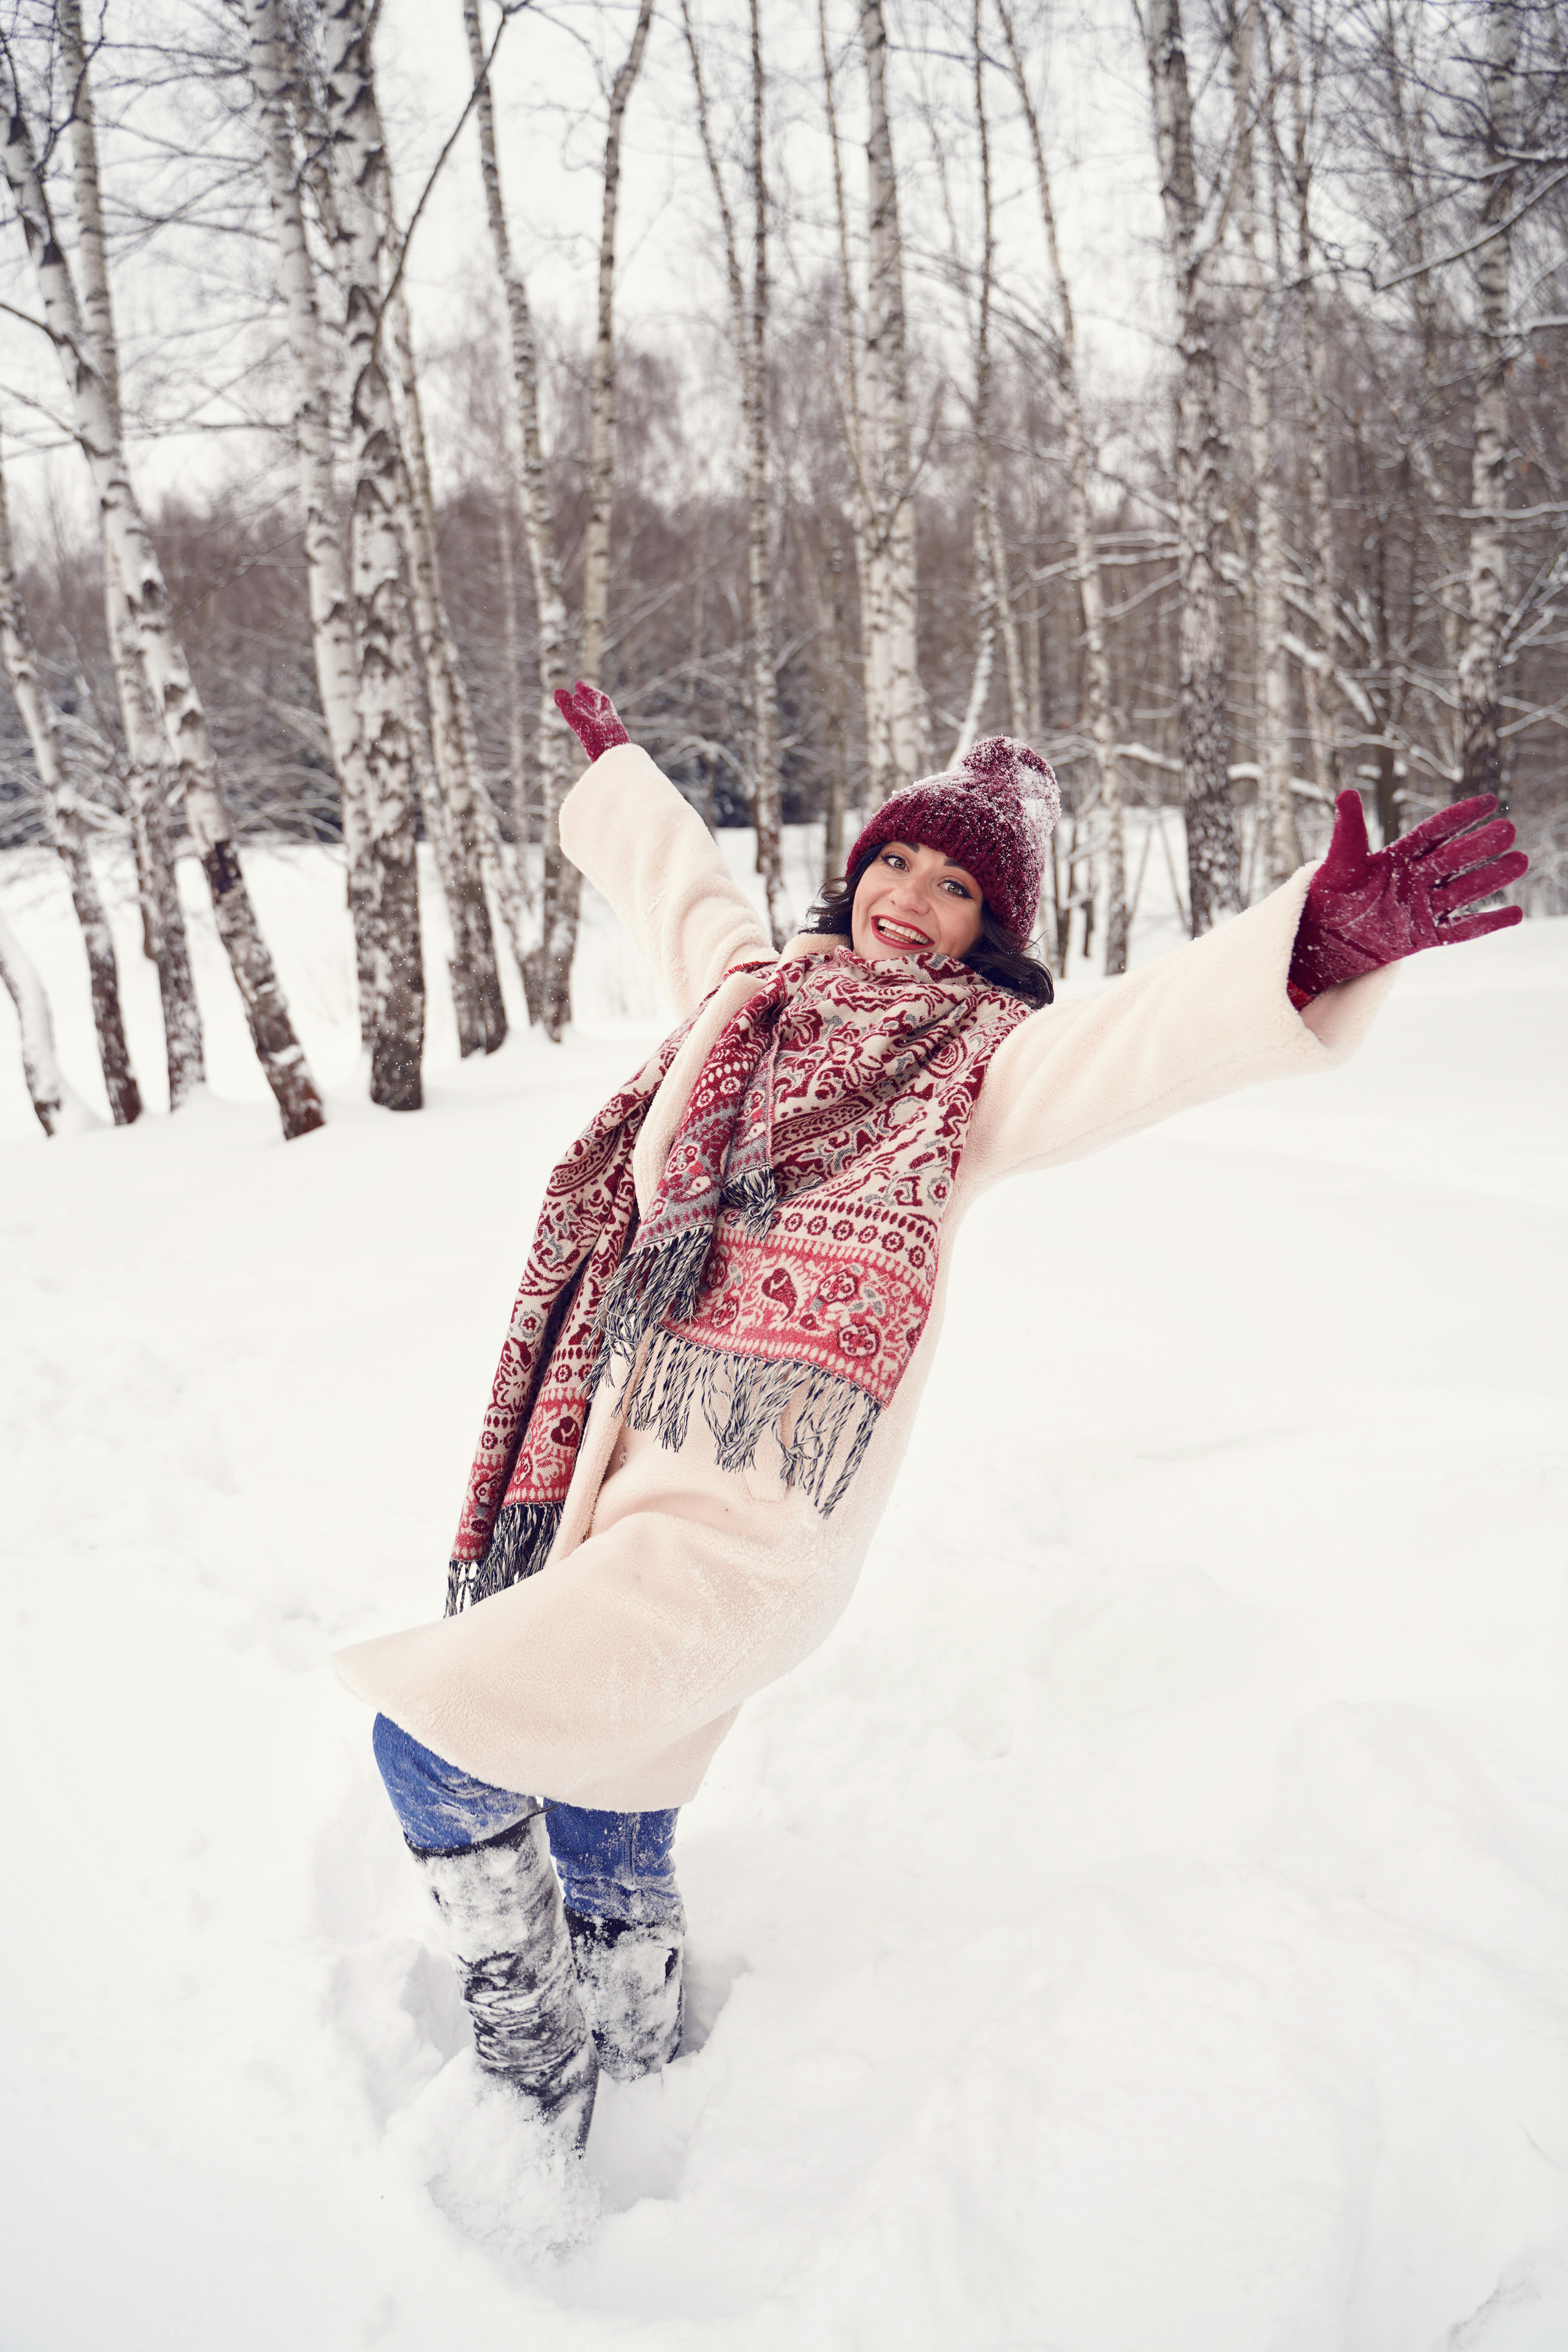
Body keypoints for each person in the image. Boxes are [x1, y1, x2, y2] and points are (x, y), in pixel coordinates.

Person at [336, 684, 1526, 2151]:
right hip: (607, 1486)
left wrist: (1317, 945)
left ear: (992, 930)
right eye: (896, 861)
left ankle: (530, 2084)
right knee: (607, 1813)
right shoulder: (754, 997)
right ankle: (643, 2057)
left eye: (957, 885)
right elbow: (679, 886)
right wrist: (619, 770)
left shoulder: (979, 1071)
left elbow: (1138, 1044)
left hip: (748, 1543)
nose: (909, 898)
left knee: (431, 1747)